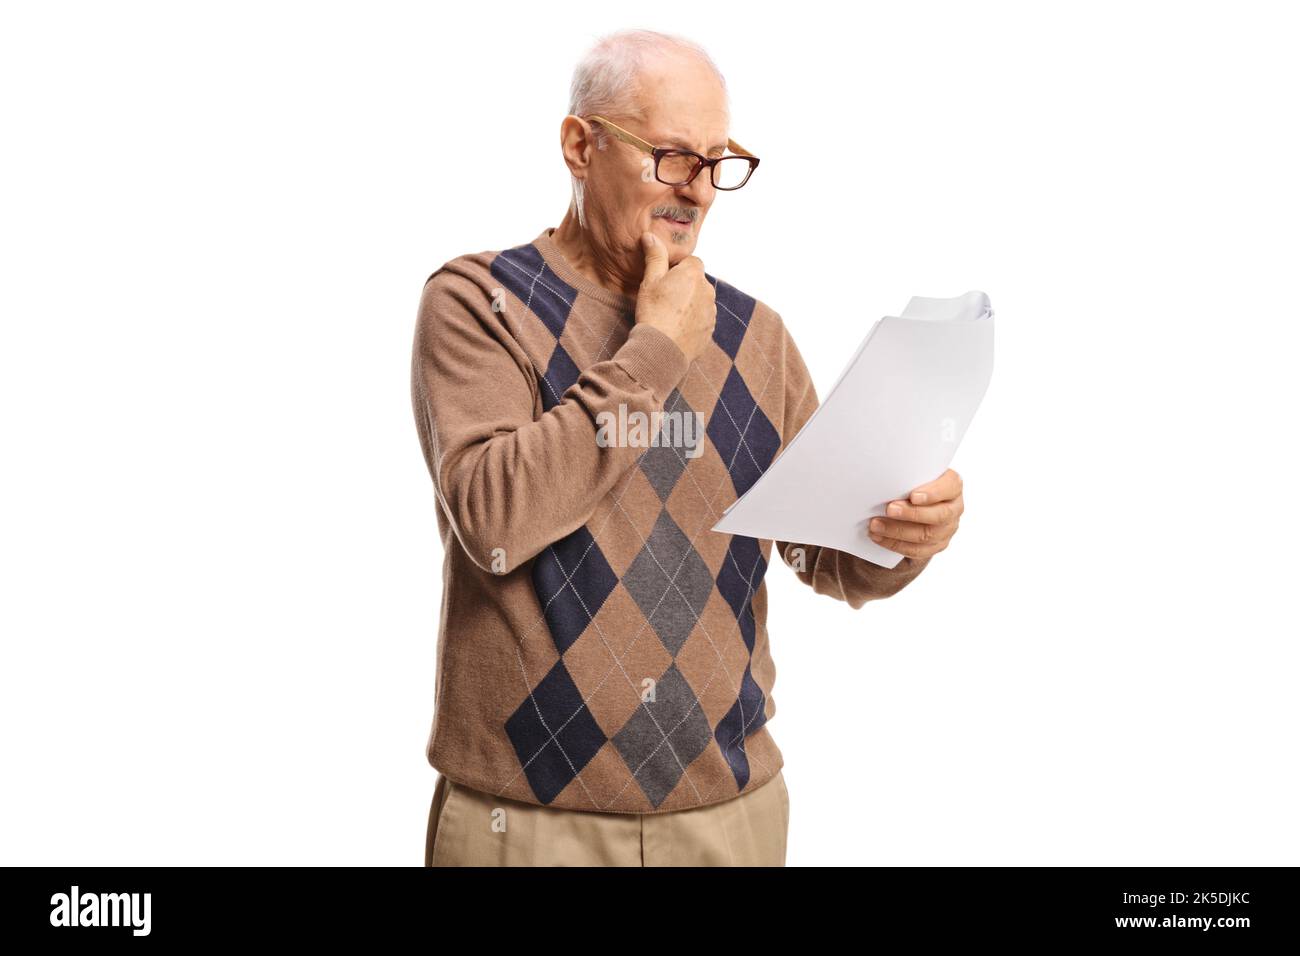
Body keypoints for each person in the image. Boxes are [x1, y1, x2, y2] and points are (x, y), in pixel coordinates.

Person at [410, 29, 965, 866]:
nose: (698, 192)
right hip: (524, 825)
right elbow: (496, 516)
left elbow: (822, 557)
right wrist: (657, 348)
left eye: (716, 162)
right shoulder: (477, 303)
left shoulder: (753, 335)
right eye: (671, 157)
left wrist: (903, 533)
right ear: (578, 144)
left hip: (728, 818)